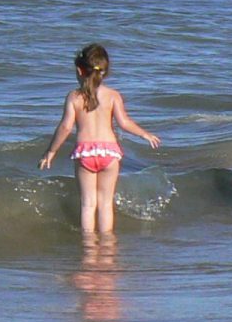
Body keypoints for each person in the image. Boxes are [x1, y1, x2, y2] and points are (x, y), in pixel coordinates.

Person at [39, 44, 161, 236]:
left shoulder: (74, 97)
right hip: (109, 153)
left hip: (85, 152)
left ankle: (88, 247)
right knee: (105, 204)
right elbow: (124, 122)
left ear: (79, 70)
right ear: (105, 71)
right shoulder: (113, 96)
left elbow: (65, 127)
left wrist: (51, 152)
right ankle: (106, 246)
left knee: (88, 204)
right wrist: (144, 134)